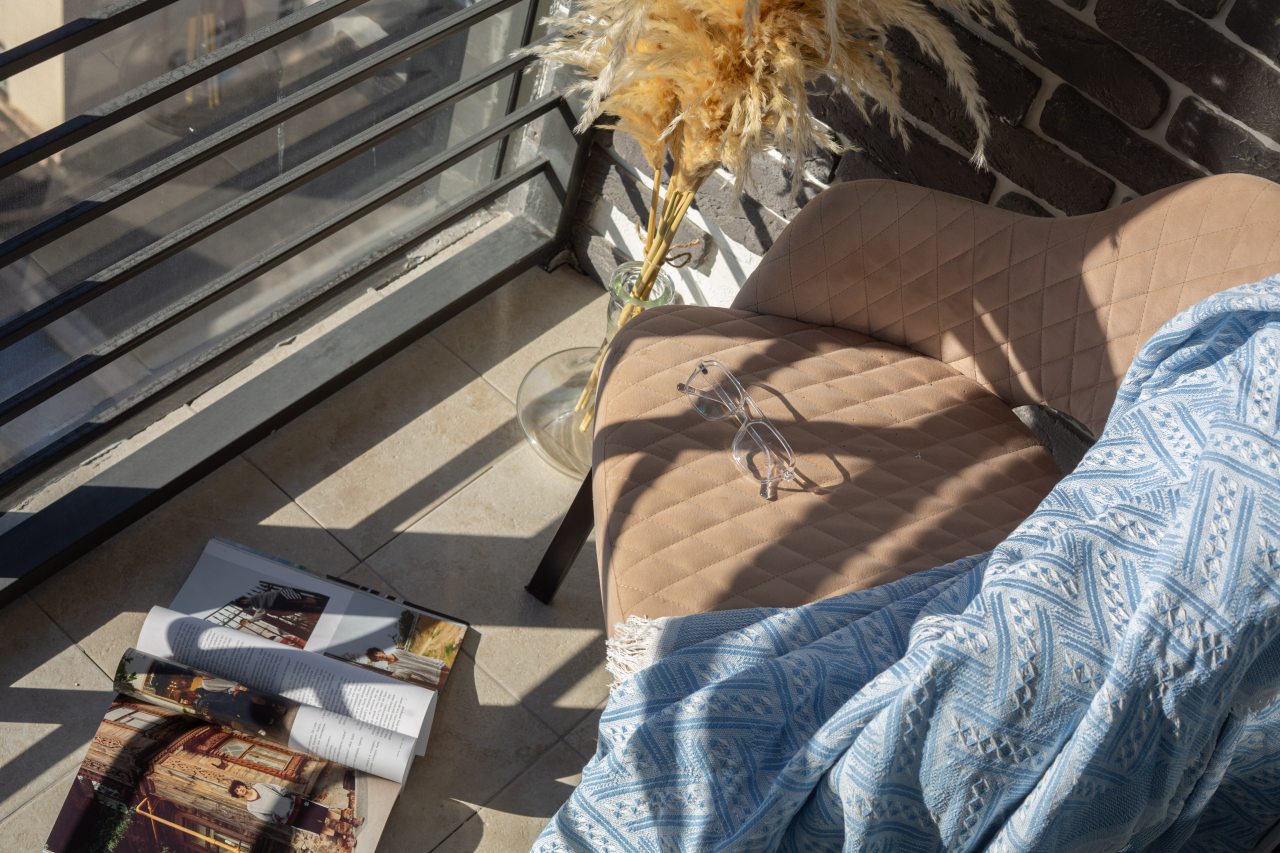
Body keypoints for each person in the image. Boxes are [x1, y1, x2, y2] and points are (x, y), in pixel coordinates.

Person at [228, 780, 362, 848]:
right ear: (238, 795)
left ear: (242, 785)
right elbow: (266, 818)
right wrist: (278, 817)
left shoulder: (259, 786)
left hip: (295, 803)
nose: (240, 790)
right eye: (237, 791)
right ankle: (345, 837)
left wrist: (286, 794)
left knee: (324, 813)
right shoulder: (250, 807)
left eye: (239, 787)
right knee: (318, 828)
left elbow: (276, 788)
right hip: (291, 818)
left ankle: (352, 821)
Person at [356, 647, 448, 689]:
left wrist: (434, 661)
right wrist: (394, 677)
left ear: (380, 651)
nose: (378, 656)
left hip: (433, 665)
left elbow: (415, 656)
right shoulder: (391, 669)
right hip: (430, 676)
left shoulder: (398, 652)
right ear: (377, 661)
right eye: (376, 658)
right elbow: (405, 673)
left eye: (377, 653)